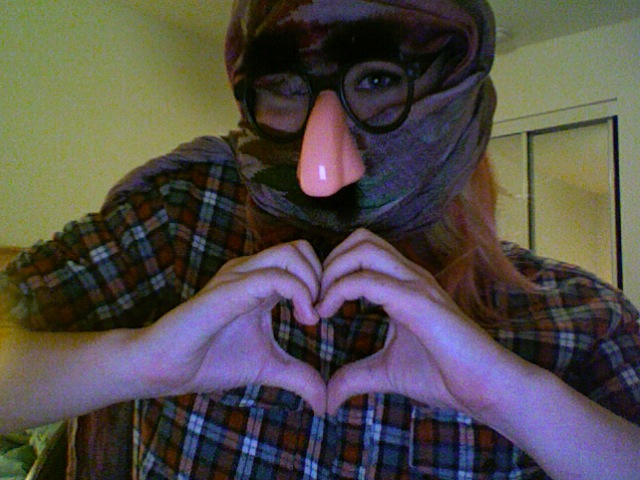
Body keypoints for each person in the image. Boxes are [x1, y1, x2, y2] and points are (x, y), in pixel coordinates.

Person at [1, 0, 639, 478]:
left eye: (379, 80)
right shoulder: (183, 218)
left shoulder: (578, 323)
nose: (321, 171)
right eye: (285, 88)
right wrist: (137, 364)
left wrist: (509, 397)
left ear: (463, 98)